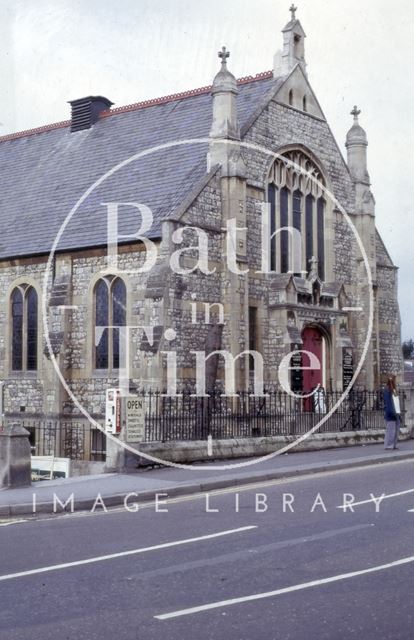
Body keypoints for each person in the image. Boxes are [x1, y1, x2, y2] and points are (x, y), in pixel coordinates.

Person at [383, 376, 401, 450]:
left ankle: (393, 445)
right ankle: (389, 445)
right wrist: (393, 412)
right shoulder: (387, 391)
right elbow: (389, 403)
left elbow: (396, 402)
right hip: (392, 414)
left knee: (395, 431)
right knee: (391, 431)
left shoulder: (394, 391)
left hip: (395, 413)